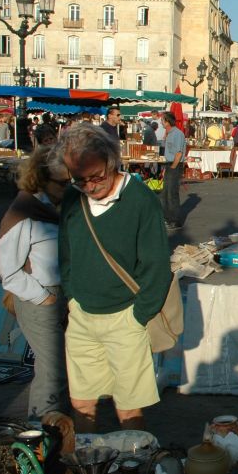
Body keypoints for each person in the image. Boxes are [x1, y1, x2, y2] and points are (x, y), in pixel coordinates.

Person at [55, 123, 172, 431]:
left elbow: (157, 264)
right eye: (79, 179)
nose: (89, 186)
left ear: (112, 162)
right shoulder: (72, 197)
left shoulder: (140, 200)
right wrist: (72, 297)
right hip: (82, 314)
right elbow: (65, 251)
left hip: (125, 315)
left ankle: (133, 471)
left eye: (96, 177)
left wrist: (140, 314)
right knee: (81, 401)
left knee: (128, 407)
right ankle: (86, 468)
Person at [0, 146, 70, 419]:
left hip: (58, 294)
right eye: (62, 182)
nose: (68, 187)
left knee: (58, 368)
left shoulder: (51, 208)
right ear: (42, 178)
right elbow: (9, 271)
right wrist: (44, 297)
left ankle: (55, 430)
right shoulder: (23, 213)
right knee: (52, 372)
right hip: (39, 297)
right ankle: (42, 430)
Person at [161, 112, 186, 231]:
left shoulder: (177, 134)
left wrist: (173, 167)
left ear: (167, 122)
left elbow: (179, 153)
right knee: (165, 193)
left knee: (172, 193)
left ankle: (175, 221)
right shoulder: (169, 134)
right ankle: (167, 218)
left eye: (162, 120)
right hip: (169, 164)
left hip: (174, 165)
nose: (161, 122)